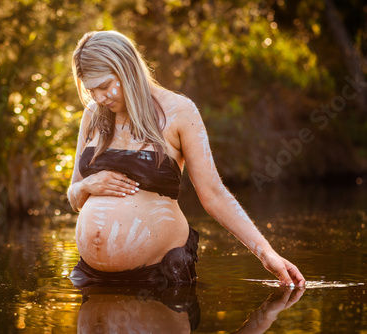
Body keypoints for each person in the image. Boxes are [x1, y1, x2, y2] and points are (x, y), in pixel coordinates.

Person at [67, 30, 306, 288]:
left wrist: (265, 253)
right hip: (92, 278)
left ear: (126, 69)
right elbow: (75, 196)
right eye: (92, 90)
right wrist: (86, 186)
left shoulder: (179, 112)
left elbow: (214, 194)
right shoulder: (93, 115)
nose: (99, 97)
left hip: (160, 276)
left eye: (104, 86)